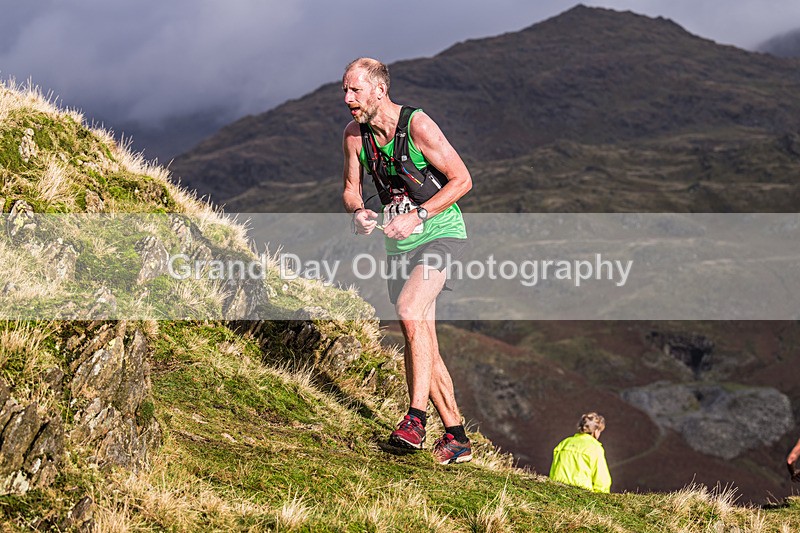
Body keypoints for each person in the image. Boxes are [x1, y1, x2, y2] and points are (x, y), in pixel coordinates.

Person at [341, 57, 473, 464]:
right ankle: (457, 437)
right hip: (397, 247)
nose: (347, 99)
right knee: (422, 338)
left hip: (442, 234)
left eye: (355, 90)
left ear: (379, 90)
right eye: (344, 90)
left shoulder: (416, 125)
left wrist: (419, 214)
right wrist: (359, 212)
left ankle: (415, 420)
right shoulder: (355, 136)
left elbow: (463, 179)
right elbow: (349, 189)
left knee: (409, 309)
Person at [549, 412, 612, 493]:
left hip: (557, 491)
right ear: (596, 431)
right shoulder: (595, 448)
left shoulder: (564, 443)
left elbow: (553, 470)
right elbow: (602, 481)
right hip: (582, 495)